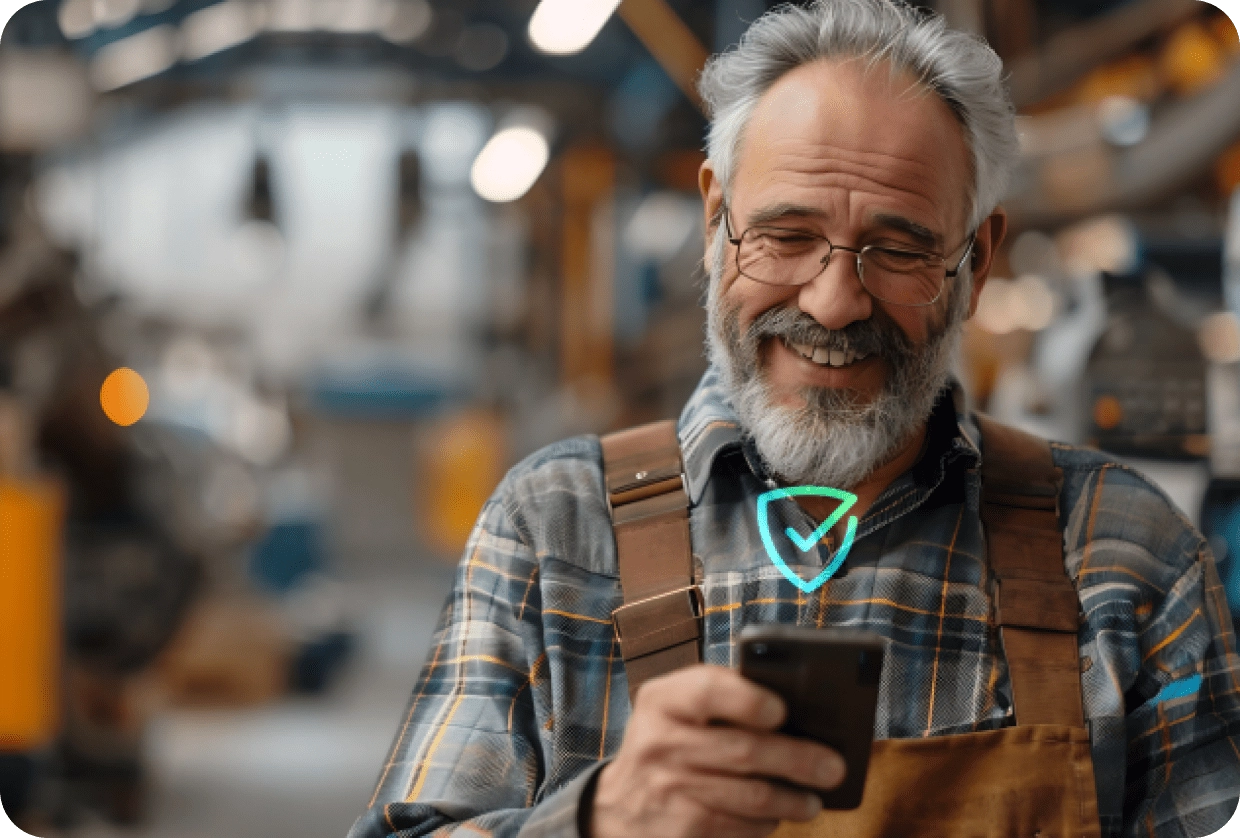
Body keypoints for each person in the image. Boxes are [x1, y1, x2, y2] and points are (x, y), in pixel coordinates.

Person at [346, 1, 1240, 836]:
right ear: (713, 220)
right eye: (786, 235)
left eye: (898, 249)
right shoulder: (552, 528)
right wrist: (598, 819)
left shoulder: (1125, 557)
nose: (836, 301)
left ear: (978, 261)